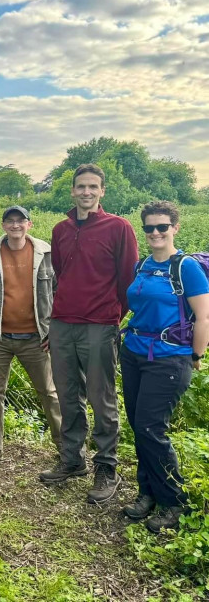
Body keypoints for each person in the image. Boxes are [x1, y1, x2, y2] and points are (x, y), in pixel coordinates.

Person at [39, 164, 139, 504]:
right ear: (72, 191)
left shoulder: (118, 228)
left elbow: (128, 280)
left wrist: (113, 316)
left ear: (102, 191)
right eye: (80, 186)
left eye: (92, 187)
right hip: (63, 323)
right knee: (68, 395)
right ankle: (72, 459)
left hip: (100, 324)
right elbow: (62, 275)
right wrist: (57, 321)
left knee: (101, 397)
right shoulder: (61, 229)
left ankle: (107, 466)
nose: (86, 192)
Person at [121, 201, 209, 532]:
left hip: (170, 358)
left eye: (162, 226)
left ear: (175, 228)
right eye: (149, 227)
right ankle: (147, 494)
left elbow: (204, 317)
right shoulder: (141, 266)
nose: (155, 232)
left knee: (150, 428)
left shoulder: (185, 267)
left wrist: (196, 356)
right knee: (138, 427)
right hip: (134, 353)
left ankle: (173, 502)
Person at [0, 206, 62, 468]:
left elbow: (60, 294)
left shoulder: (47, 254)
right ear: (3, 225)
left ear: (29, 224)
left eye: (20, 221)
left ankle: (64, 447)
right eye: (10, 221)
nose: (15, 225)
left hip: (36, 338)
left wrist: (52, 331)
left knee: (49, 392)